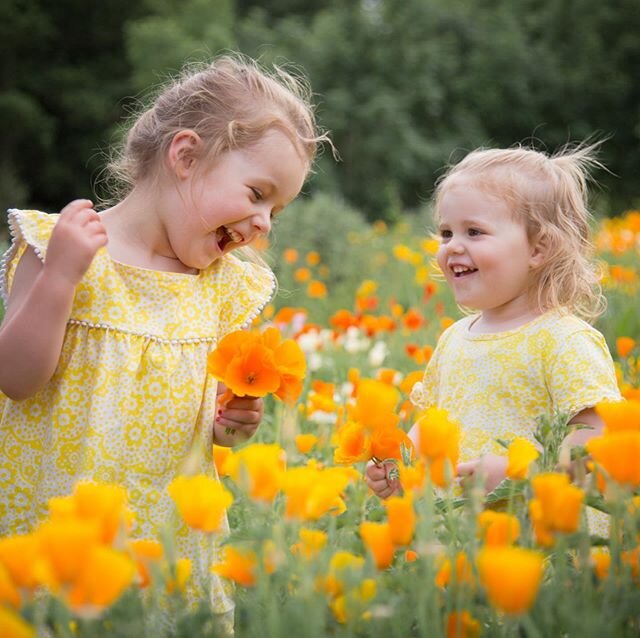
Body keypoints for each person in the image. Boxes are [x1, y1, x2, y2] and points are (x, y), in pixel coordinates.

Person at [0, 54, 328, 629]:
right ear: (185, 155)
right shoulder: (64, 247)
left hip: (169, 546)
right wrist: (60, 279)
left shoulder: (225, 287)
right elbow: (16, 378)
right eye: (256, 193)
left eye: (276, 209)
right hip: (55, 532)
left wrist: (229, 425)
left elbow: (205, 422)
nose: (264, 223)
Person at [366, 143, 621, 523]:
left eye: (474, 231)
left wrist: (523, 475)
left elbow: (598, 441)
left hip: (544, 540)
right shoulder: (455, 337)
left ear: (539, 248)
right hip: (464, 535)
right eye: (446, 233)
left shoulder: (563, 341)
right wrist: (403, 462)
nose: (453, 247)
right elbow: (436, 421)